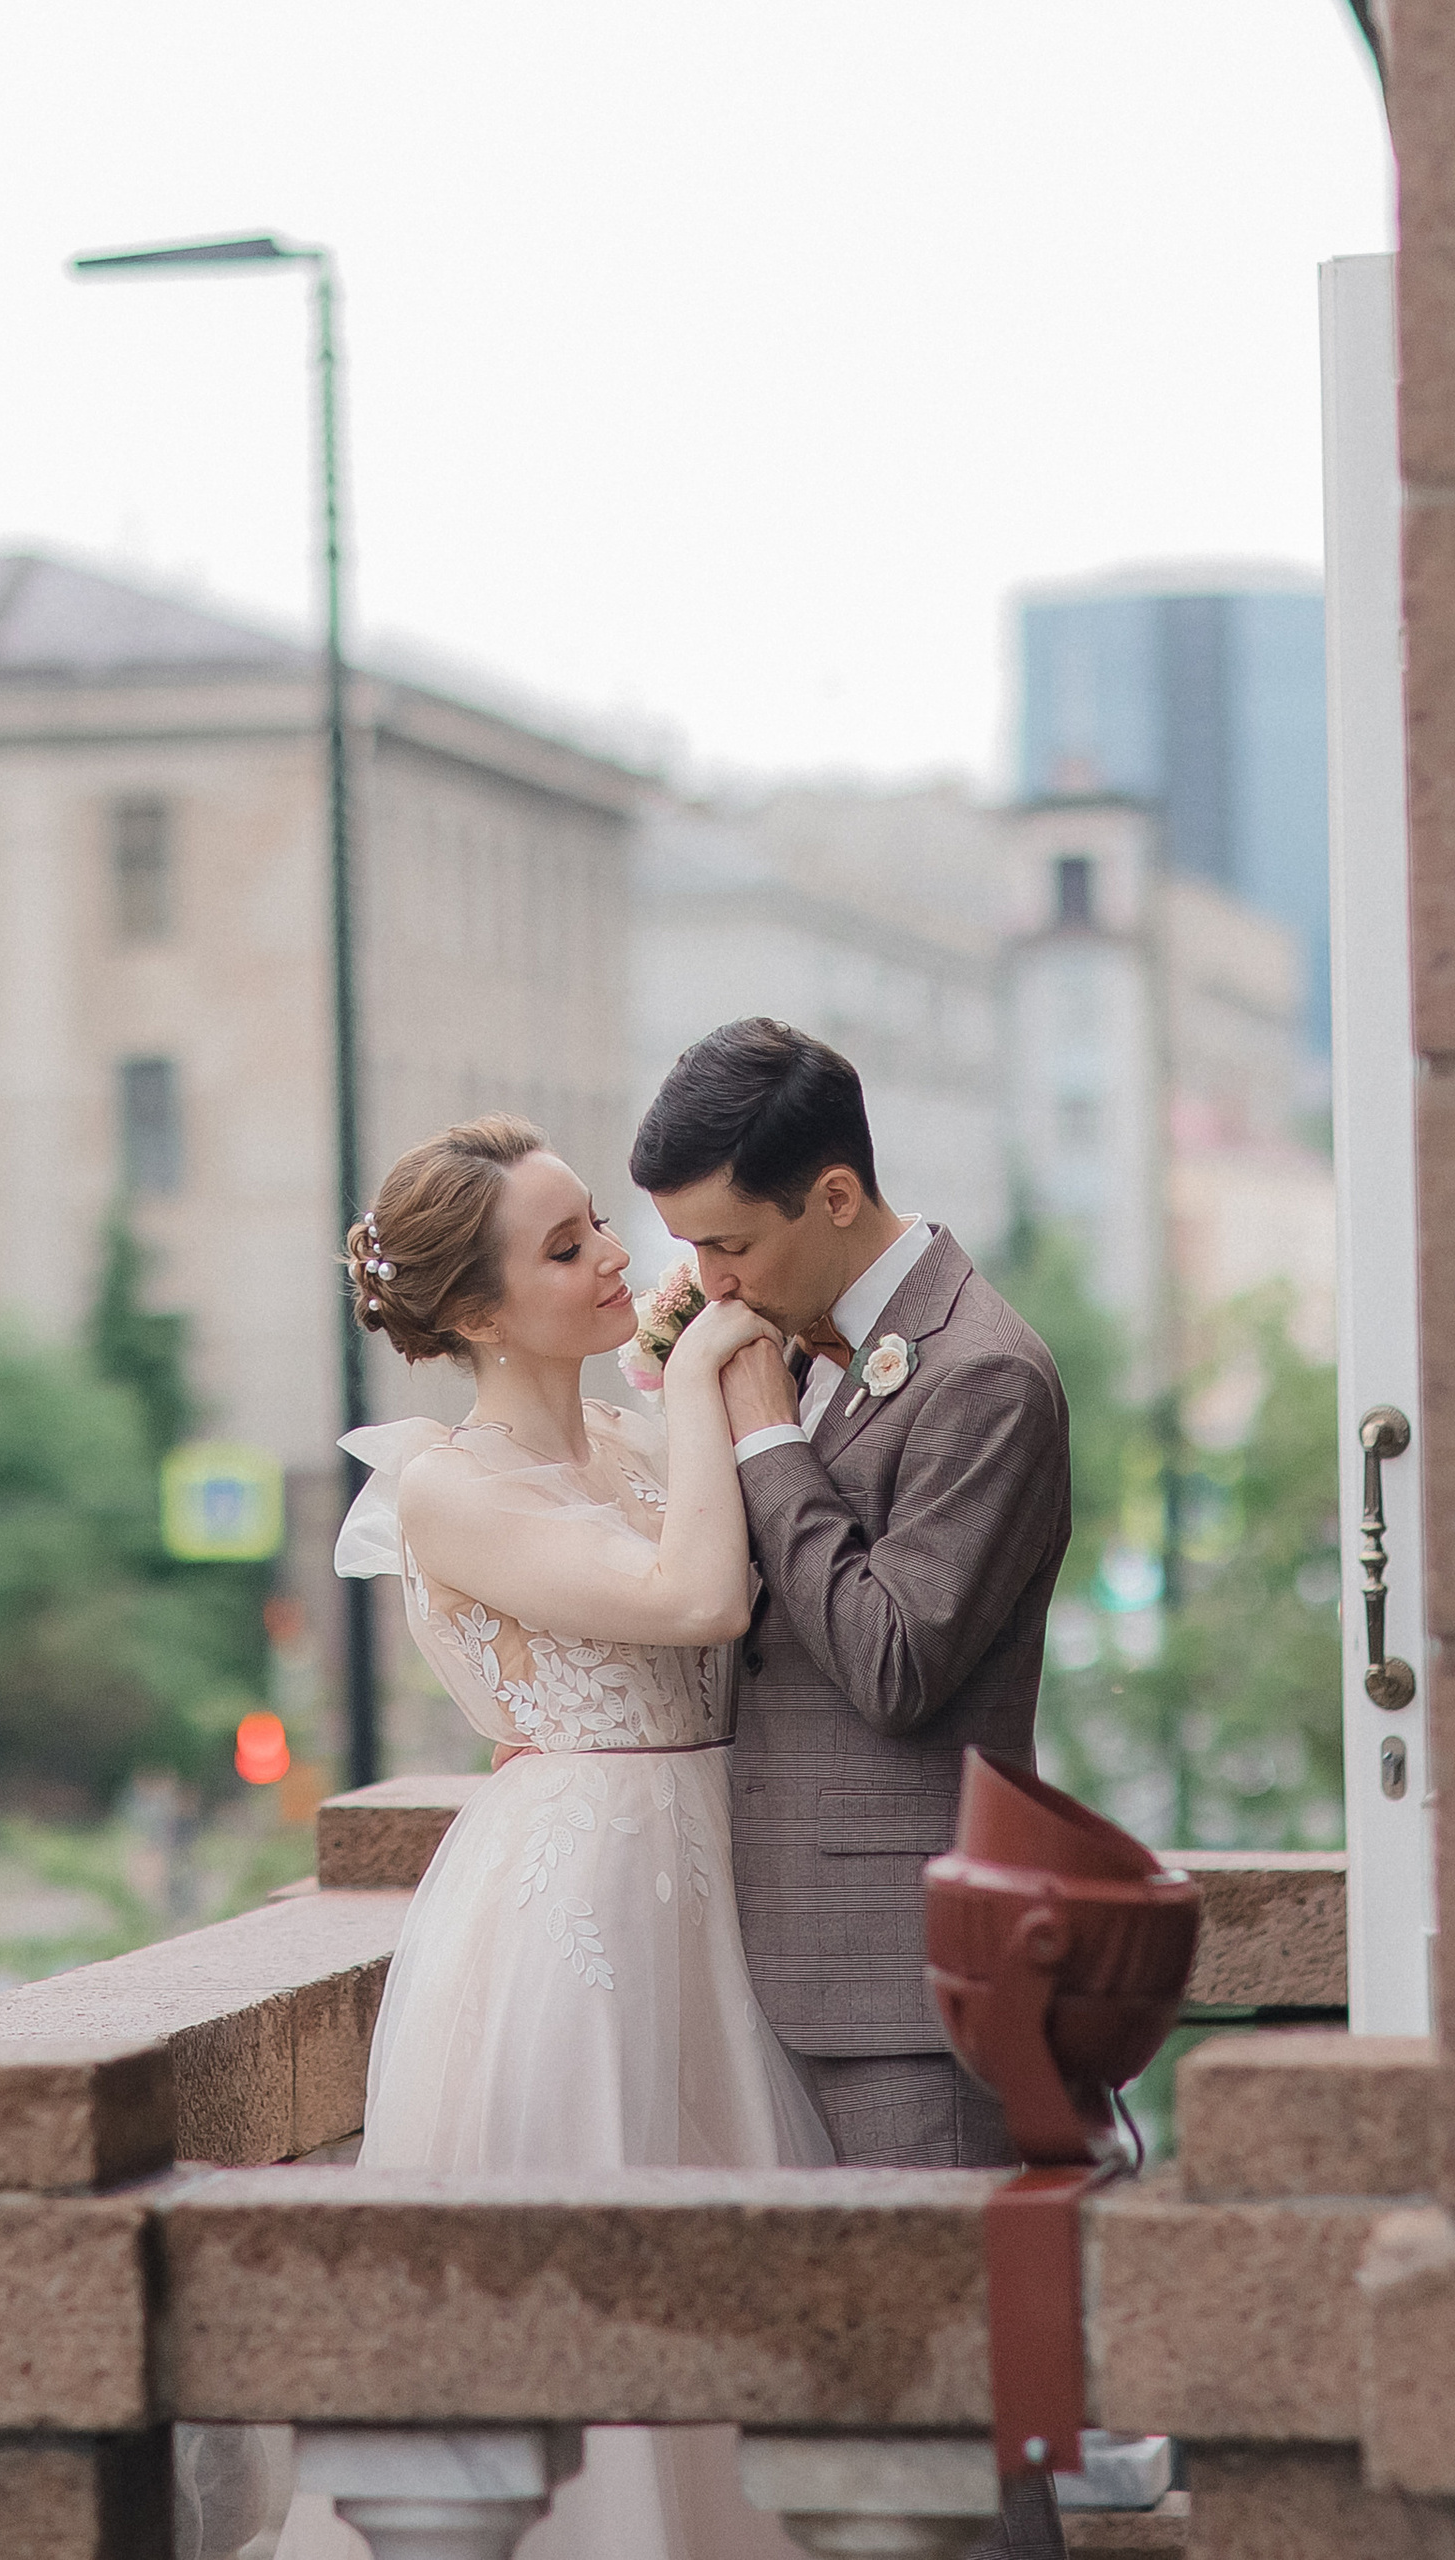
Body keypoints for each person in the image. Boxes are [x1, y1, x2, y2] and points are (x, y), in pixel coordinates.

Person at [282, 1111, 828, 2560]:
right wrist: (712, 1366)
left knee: (741, 2282)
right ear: (473, 1309)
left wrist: (696, 1393)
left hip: (722, 1877)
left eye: (601, 1225)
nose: (618, 1260)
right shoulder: (444, 1490)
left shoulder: (635, 1439)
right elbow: (694, 1601)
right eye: (568, 1243)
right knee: (597, 2268)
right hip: (574, 1903)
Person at [633, 1017, 1073, 2560]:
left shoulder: (985, 1374)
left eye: (730, 1244)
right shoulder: (807, 1345)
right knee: (873, 2413)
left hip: (905, 1971)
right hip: (796, 1954)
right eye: (691, 1250)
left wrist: (761, 1434)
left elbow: (893, 1658)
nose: (714, 1285)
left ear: (833, 1197)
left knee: (946, 2409)